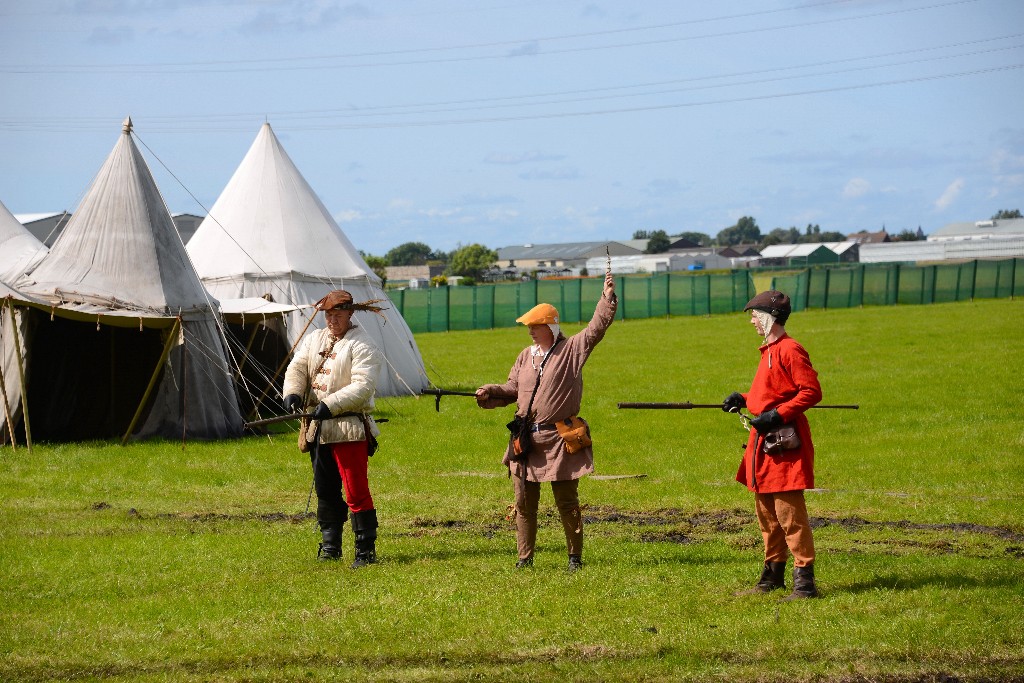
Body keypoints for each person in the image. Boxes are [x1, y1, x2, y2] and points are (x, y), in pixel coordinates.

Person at [475, 271, 617, 571]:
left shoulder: (571, 351)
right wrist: (490, 391)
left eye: (535, 326)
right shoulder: (525, 356)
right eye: (528, 326)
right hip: (526, 440)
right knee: (524, 503)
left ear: (551, 326)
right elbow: (512, 388)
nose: (530, 331)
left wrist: (606, 298)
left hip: (559, 440)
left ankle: (574, 558)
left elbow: (596, 329)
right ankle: (525, 559)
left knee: (567, 502)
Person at [723, 290, 823, 599]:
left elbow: (811, 392)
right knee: (767, 515)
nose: (752, 320)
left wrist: (777, 415)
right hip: (763, 446)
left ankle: (804, 584)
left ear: (770, 317)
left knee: (790, 517)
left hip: (784, 446)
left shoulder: (790, 350)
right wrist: (745, 399)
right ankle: (772, 576)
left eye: (755, 315)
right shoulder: (768, 350)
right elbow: (771, 394)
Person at [282, 290, 384, 568]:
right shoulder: (315, 338)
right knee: (325, 489)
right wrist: (292, 392)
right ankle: (330, 546)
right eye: (328, 315)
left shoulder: (363, 345)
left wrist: (330, 404)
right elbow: (298, 367)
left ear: (350, 314)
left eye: (337, 315)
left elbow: (363, 387)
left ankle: (365, 551)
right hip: (318, 428)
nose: (332, 320)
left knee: (355, 491)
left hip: (348, 427)